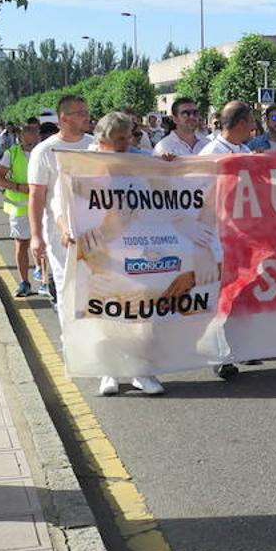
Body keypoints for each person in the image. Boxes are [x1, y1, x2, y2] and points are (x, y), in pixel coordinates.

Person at [81, 112, 173, 396]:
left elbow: (164, 187)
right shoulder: (84, 162)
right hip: (102, 247)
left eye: (128, 136)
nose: (126, 142)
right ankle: (110, 372)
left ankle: (142, 372)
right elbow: (68, 201)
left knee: (143, 311)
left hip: (139, 245)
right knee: (108, 309)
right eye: (119, 138)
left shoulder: (140, 157)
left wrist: (167, 165)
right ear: (102, 138)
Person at [28, 94, 95, 313]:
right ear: (64, 118)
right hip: (61, 235)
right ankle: (70, 341)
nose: (87, 117)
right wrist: (36, 236)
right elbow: (36, 197)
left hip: (96, 233)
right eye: (81, 113)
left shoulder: (95, 145)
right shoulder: (44, 151)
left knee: (94, 290)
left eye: (87, 112)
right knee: (68, 289)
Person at [0, 122, 43, 297]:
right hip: (20, 209)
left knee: (44, 243)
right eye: (28, 144)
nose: (31, 147)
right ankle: (24, 282)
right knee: (22, 244)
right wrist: (18, 186)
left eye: (34, 143)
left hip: (43, 206)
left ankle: (45, 281)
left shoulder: (44, 152)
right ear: (21, 139)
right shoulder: (12, 153)